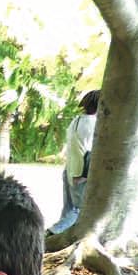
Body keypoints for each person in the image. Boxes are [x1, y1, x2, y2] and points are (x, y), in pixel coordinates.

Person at [48, 89, 99, 234]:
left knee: (69, 209)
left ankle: (56, 235)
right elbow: (87, 152)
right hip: (80, 173)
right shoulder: (94, 124)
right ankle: (53, 232)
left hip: (70, 169)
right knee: (78, 210)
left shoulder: (76, 121)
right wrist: (84, 175)